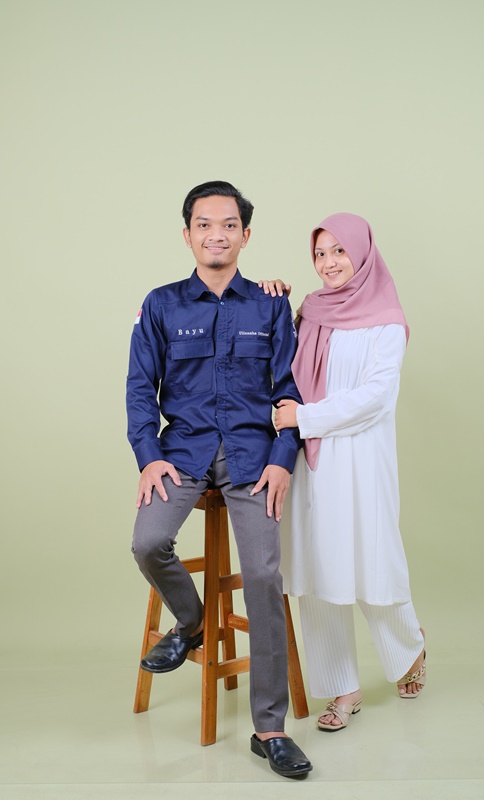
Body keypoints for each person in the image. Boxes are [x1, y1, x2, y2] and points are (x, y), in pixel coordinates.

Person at [126, 181, 312, 778]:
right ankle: (192, 622)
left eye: (228, 225)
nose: (216, 234)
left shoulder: (269, 305)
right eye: (204, 225)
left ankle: (270, 728)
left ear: (245, 235)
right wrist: (148, 456)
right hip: (182, 454)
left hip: (253, 458)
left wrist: (283, 459)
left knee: (263, 575)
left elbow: (289, 392)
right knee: (148, 542)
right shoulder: (160, 305)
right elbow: (140, 389)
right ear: (188, 235)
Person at [262, 212, 426, 732]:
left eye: (339, 251)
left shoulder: (387, 320)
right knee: (317, 569)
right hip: (310, 463)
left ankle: (409, 649)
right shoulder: (309, 312)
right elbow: (275, 359)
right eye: (319, 253)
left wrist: (305, 418)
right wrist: (269, 300)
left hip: (360, 460)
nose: (329, 263)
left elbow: (376, 397)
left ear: (363, 253)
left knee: (373, 561)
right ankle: (341, 688)